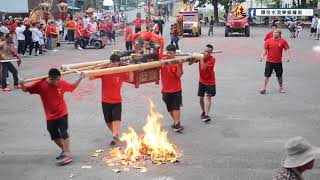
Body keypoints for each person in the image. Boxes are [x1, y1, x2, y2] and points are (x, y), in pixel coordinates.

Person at [20, 68, 84, 165]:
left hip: (62, 112)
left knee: (63, 132)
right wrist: (21, 83)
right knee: (53, 135)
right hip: (50, 116)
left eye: (59, 79)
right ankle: (64, 150)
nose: (58, 82)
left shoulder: (61, 83)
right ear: (51, 78)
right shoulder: (40, 85)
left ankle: (68, 154)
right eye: (56, 80)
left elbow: (72, 87)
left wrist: (80, 78)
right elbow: (25, 89)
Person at [91, 54, 133, 145]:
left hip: (117, 100)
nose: (114, 66)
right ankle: (115, 133)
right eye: (112, 64)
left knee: (116, 118)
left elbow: (130, 79)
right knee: (108, 121)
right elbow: (91, 76)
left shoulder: (121, 71)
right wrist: (103, 66)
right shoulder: (105, 71)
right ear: (110, 62)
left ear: (119, 63)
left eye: (116, 64)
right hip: (105, 100)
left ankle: (114, 135)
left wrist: (130, 69)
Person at [160, 45, 184, 132]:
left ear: (174, 53)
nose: (169, 54)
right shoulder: (163, 60)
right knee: (169, 108)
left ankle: (177, 124)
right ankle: (176, 121)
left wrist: (180, 65)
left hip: (176, 89)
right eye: (168, 53)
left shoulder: (178, 62)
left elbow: (178, 75)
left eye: (171, 53)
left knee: (176, 106)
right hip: (165, 89)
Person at [190, 44, 216, 122]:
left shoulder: (212, 59)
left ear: (211, 53)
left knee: (208, 97)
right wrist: (193, 56)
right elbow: (190, 63)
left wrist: (201, 58)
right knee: (201, 98)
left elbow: (203, 67)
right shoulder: (202, 56)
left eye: (208, 52)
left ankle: (207, 115)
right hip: (202, 81)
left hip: (210, 82)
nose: (206, 53)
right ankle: (204, 111)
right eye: (205, 51)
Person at [260, 29, 290, 94]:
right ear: (272, 33)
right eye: (274, 32)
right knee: (266, 76)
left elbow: (287, 49)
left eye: (277, 32)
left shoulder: (283, 41)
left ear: (279, 34)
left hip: (278, 62)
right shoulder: (268, 41)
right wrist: (262, 56)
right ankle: (264, 88)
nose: (275, 33)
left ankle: (281, 88)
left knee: (279, 76)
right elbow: (265, 50)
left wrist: (288, 57)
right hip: (269, 61)